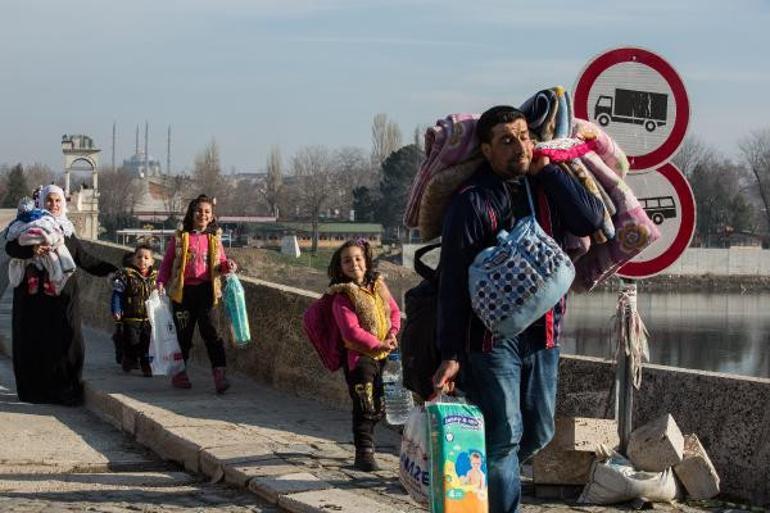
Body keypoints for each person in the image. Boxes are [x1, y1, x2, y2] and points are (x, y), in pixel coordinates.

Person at [431, 106, 605, 513]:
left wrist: (548, 170)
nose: (519, 147)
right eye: (507, 141)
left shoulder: (544, 188)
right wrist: (451, 354)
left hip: (545, 333)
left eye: (524, 136)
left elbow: (590, 218)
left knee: (538, 431)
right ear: (487, 150)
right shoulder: (472, 202)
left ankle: (489, 481)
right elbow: (453, 282)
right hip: (490, 340)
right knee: (505, 435)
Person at [4, 184, 118, 406]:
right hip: (32, 297)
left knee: (68, 340)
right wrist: (31, 251)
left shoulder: (65, 229)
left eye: (57, 201)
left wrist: (114, 268)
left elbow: (84, 259)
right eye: (49, 201)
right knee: (33, 342)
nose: (53, 205)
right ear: (41, 203)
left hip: (62, 296)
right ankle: (35, 390)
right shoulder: (26, 224)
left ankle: (65, 390)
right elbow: (11, 248)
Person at [327, 239, 400, 472]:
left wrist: (392, 334)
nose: (353, 264)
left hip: (384, 355)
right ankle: (364, 452)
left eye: (358, 258)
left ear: (366, 261)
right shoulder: (342, 296)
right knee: (364, 404)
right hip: (359, 359)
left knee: (379, 404)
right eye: (347, 260)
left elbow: (395, 311)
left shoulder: (379, 286)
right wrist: (378, 344)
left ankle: (369, 442)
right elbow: (351, 332)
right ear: (340, 267)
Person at [156, 194, 235, 394]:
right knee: (183, 334)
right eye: (199, 211)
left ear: (212, 216)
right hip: (183, 293)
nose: (203, 214)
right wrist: (160, 282)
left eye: (207, 211)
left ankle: (219, 374)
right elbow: (167, 262)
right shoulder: (181, 237)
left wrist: (229, 266)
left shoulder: (214, 239)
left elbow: (221, 263)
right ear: (192, 213)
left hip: (207, 292)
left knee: (212, 333)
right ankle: (179, 373)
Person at [111, 244, 157, 377]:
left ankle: (146, 365)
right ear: (133, 259)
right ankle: (129, 358)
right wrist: (116, 309)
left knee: (146, 343)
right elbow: (117, 294)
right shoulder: (125, 275)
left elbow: (159, 296)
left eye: (146, 258)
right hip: (131, 318)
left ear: (152, 261)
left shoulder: (155, 277)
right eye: (139, 257)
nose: (142, 260)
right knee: (131, 341)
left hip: (148, 318)